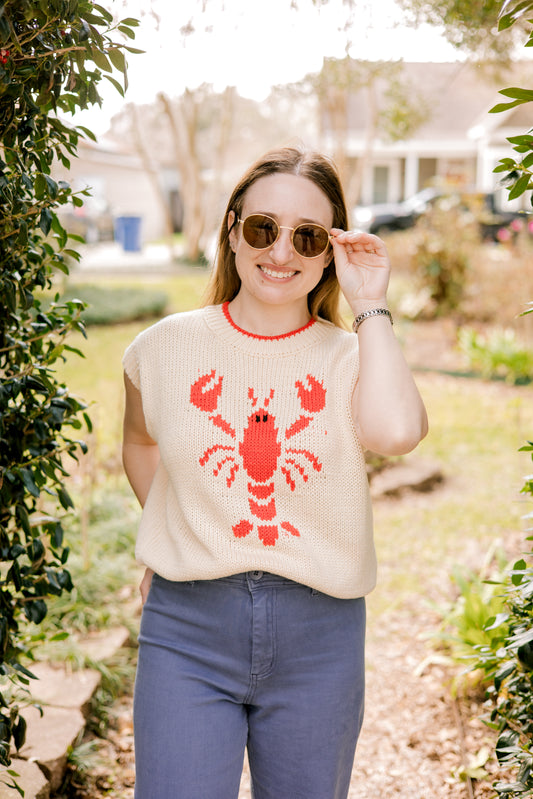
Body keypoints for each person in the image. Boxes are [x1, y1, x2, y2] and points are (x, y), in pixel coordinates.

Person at [122, 145, 428, 799]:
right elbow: (140, 443)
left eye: (307, 236)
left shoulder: (353, 358)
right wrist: (179, 530)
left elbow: (397, 433)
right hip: (187, 628)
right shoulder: (161, 348)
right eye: (263, 228)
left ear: (329, 251)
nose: (281, 252)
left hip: (320, 636)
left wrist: (370, 303)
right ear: (232, 231)